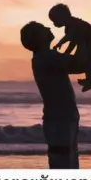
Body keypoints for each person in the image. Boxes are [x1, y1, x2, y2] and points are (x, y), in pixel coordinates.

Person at [20, 21, 81, 170]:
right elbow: (79, 63)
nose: (48, 28)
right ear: (38, 38)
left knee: (64, 162)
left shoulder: (44, 58)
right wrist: (84, 39)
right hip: (60, 119)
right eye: (43, 29)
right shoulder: (47, 57)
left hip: (59, 118)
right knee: (65, 164)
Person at [48, 3, 91, 92]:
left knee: (90, 59)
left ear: (63, 17)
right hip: (87, 41)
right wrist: (66, 53)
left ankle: (90, 81)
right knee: (87, 60)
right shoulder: (70, 26)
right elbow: (73, 41)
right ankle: (89, 81)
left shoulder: (74, 24)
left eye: (55, 21)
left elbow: (71, 37)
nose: (54, 24)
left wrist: (60, 43)